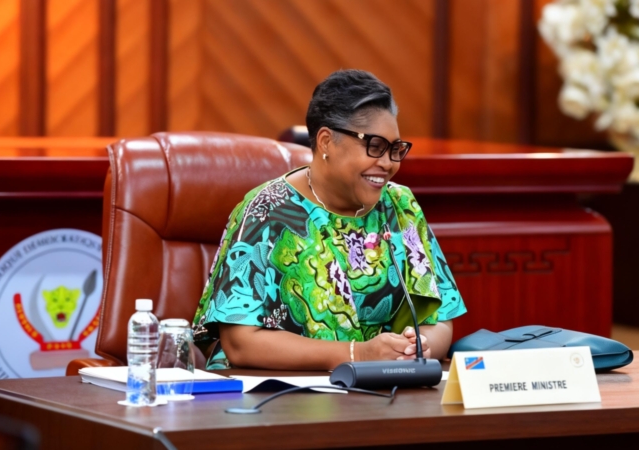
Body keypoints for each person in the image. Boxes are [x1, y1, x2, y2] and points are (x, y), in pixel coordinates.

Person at [192, 69, 466, 370]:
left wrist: (417, 349)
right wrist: (357, 355)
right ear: (326, 142)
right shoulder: (268, 210)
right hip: (277, 390)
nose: (388, 163)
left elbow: (441, 319)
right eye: (375, 147)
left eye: (395, 150)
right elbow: (239, 343)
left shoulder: (400, 206)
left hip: (385, 386)